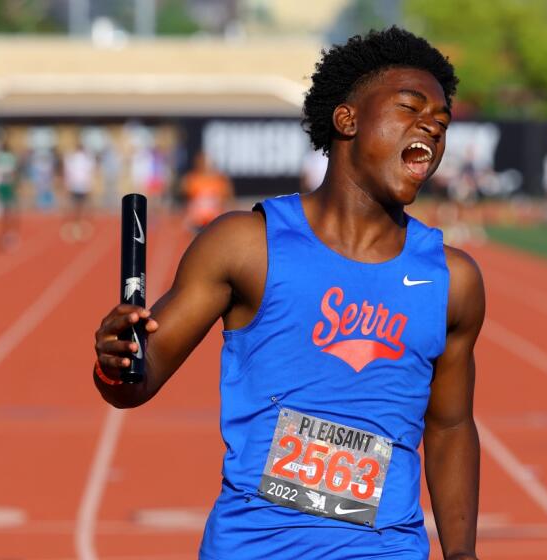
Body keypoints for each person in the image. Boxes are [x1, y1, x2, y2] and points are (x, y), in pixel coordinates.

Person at [93, 27, 483, 559]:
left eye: (441, 122)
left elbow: (451, 425)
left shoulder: (452, 280)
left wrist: (462, 553)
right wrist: (116, 360)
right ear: (346, 119)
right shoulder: (244, 245)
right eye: (409, 108)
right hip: (252, 546)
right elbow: (135, 382)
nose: (431, 128)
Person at [181, 152, 234, 232]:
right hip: (197, 221)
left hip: (214, 221)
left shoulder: (219, 180)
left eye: (206, 162)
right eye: (201, 162)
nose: (204, 164)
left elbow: (228, 199)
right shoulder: (191, 179)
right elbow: (185, 200)